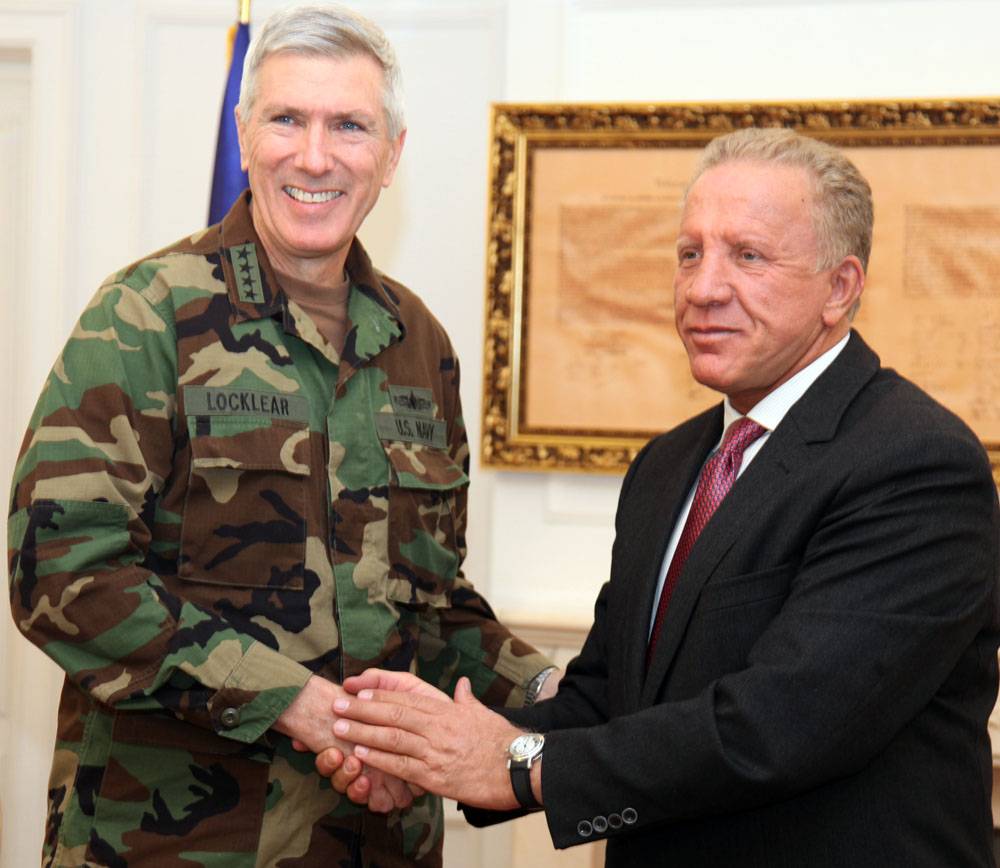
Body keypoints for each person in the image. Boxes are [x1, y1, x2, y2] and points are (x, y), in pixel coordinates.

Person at [318, 127, 1000, 867]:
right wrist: (431, 756)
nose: (704, 289)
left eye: (748, 256)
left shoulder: (916, 464)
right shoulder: (668, 465)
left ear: (839, 288)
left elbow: (778, 726)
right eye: (690, 254)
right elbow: (607, 698)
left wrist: (511, 765)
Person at [6, 4, 558, 865]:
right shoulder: (147, 316)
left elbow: (427, 606)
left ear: (392, 154)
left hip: (380, 843)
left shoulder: (419, 343)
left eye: (350, 126)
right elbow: (62, 574)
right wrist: (298, 704)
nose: (315, 155)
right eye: (287, 119)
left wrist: (555, 687)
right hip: (179, 843)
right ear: (245, 135)